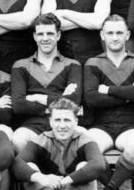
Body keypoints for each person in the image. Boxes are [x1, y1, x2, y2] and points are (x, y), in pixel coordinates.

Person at [83, 15, 134, 190]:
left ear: (127, 35)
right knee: (90, 147)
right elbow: (91, 99)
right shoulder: (93, 62)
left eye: (119, 33)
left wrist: (108, 90)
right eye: (110, 33)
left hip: (131, 125)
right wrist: (129, 93)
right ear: (102, 35)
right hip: (101, 125)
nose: (115, 37)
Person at [11, 98, 105, 190]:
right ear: (50, 121)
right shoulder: (42, 139)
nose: (62, 125)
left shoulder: (85, 139)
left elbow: (99, 165)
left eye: (67, 120)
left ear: (76, 122)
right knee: (29, 168)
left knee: (84, 166)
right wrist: (41, 178)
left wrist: (65, 181)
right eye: (57, 120)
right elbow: (17, 165)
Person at [10, 14, 82, 152]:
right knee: (18, 139)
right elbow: (19, 105)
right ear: (35, 36)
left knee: (85, 137)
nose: (45, 38)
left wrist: (38, 98)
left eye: (50, 33)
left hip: (64, 123)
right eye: (41, 34)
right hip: (32, 125)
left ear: (58, 35)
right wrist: (61, 99)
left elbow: (74, 102)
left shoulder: (73, 65)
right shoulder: (21, 66)